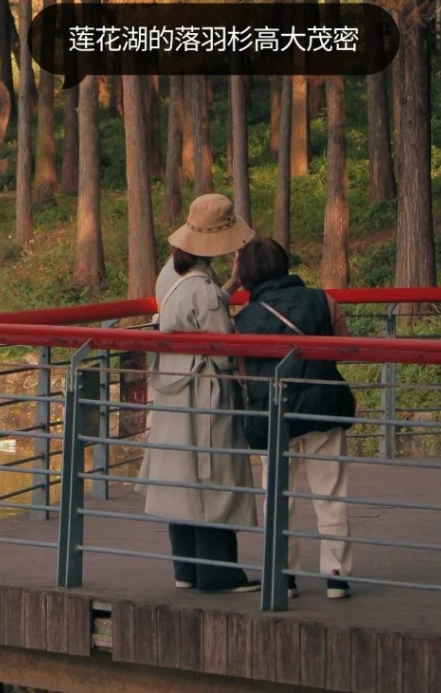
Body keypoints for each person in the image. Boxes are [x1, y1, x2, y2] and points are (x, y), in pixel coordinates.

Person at [143, 193, 260, 593]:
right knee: (213, 475)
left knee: (182, 474)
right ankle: (219, 571)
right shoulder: (203, 289)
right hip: (205, 390)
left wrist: (228, 286)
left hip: (172, 387)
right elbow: (222, 346)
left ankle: (186, 568)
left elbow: (188, 313)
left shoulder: (168, 275)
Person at [232, 237, 356, 601]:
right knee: (331, 492)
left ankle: (284, 575)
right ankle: (336, 575)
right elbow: (344, 347)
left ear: (248, 275)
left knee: (278, 496)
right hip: (322, 407)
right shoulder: (323, 300)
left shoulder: (244, 320)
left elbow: (241, 371)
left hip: (273, 413)